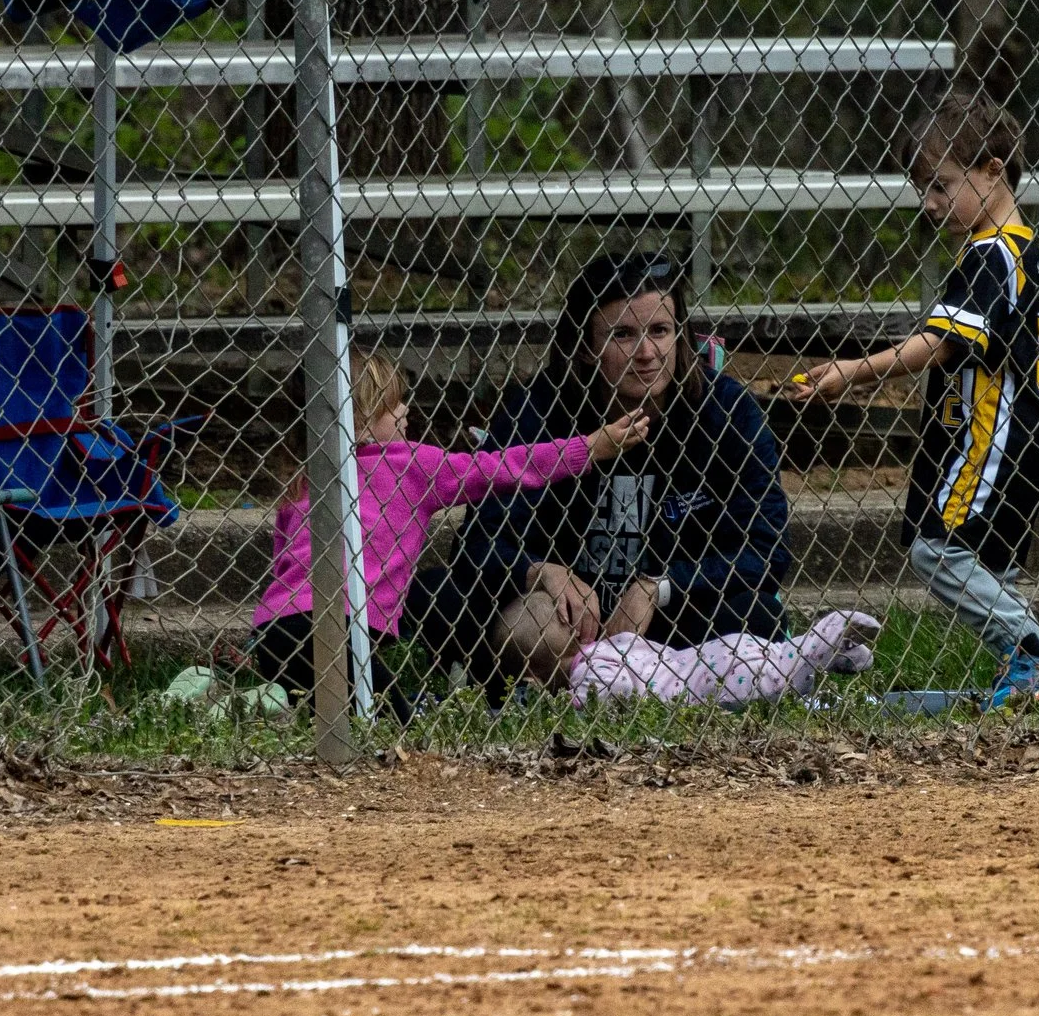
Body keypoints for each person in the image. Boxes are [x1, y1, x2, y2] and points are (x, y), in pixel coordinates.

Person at [790, 93, 1039, 712]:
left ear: (993, 171)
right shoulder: (1031, 251)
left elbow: (941, 345)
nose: (930, 204)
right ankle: (1026, 678)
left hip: (996, 430)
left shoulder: (988, 254)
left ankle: (1033, 656)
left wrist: (853, 372)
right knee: (989, 566)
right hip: (1035, 431)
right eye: (924, 188)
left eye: (943, 185)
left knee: (936, 547)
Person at [421, 251, 792, 692]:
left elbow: (768, 547)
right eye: (623, 335)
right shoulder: (536, 412)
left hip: (675, 615)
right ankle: (564, 688)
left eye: (660, 331)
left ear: (681, 336)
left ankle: (653, 688)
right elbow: (479, 543)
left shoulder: (727, 411)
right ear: (586, 346)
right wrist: (540, 571)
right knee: (441, 595)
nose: (647, 353)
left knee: (756, 612)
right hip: (569, 619)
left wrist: (663, 586)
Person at [247, 350, 649, 703]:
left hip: (275, 626)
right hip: (336, 627)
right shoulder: (410, 464)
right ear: (361, 425)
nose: (406, 411)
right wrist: (589, 447)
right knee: (388, 716)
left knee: (328, 703)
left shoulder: (307, 477)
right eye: (394, 406)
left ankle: (272, 703)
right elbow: (502, 468)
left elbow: (283, 560)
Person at [568, 609, 881, 710]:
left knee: (766, 672)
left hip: (703, 672)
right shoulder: (614, 653)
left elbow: (615, 687)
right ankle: (819, 649)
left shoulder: (601, 657)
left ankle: (816, 650)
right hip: (713, 664)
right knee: (770, 668)